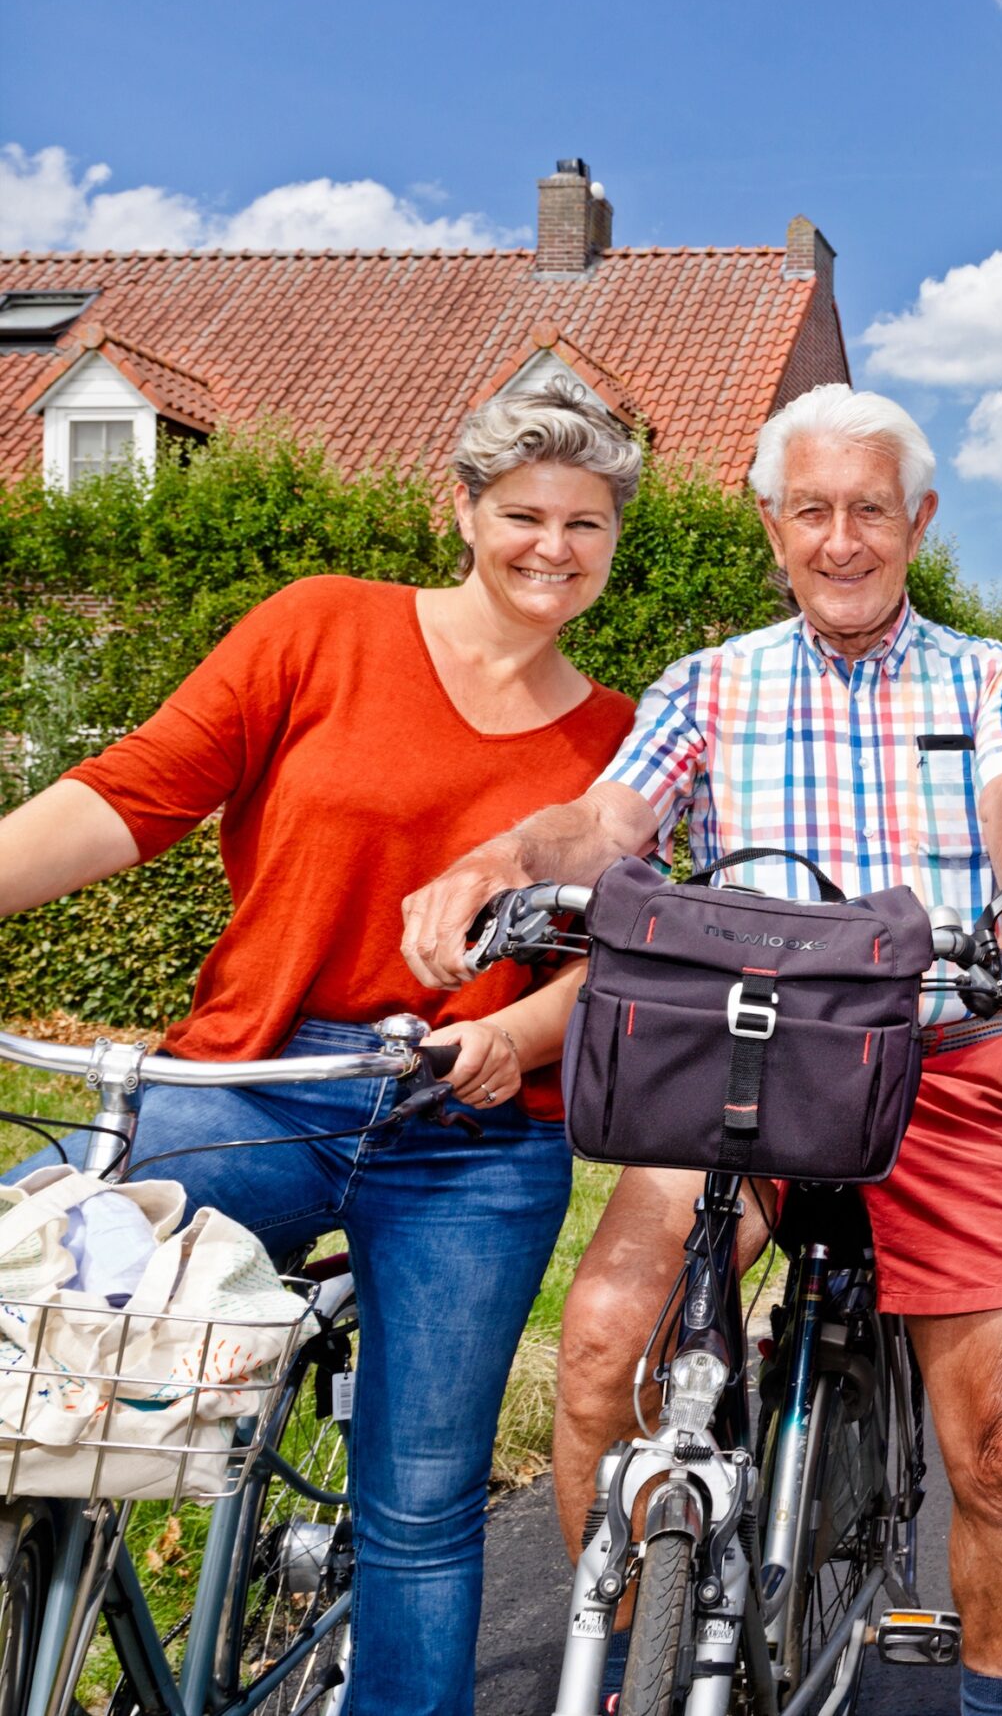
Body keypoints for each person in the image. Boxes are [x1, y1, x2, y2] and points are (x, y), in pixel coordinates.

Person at [398, 382, 1002, 1716]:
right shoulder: (710, 683)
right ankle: (637, 1655)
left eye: (871, 511)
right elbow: (609, 819)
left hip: (937, 1061)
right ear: (773, 524)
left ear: (919, 522)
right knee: (605, 1341)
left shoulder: (991, 676)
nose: (842, 538)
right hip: (747, 1062)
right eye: (812, 509)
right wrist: (505, 855)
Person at [0, 383, 645, 1716]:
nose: (551, 545)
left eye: (585, 522)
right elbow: (136, 792)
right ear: (459, 509)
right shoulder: (323, 627)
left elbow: (614, 959)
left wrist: (510, 1031)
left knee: (420, 1505)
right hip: (260, 1084)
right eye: (522, 511)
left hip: (472, 1139)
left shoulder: (622, 737)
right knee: (28, 1311)